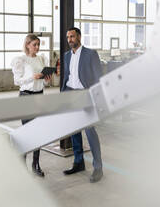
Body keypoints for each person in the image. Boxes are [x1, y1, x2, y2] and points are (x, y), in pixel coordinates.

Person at [61, 27, 103, 183]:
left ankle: (98, 167)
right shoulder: (66, 56)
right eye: (68, 37)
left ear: (79, 37)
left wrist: (96, 98)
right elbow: (67, 77)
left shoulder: (90, 54)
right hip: (71, 95)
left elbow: (98, 78)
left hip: (86, 95)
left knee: (90, 131)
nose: (70, 39)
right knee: (74, 131)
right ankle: (78, 163)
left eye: (72, 36)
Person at [11, 34, 51, 177]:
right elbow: (17, 81)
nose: (37, 47)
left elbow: (45, 83)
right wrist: (31, 77)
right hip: (26, 97)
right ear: (27, 45)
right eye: (34, 44)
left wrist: (46, 79)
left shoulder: (41, 59)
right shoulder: (21, 60)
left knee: (38, 132)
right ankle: (22, 164)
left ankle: (36, 164)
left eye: (38, 44)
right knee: (27, 132)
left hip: (39, 96)